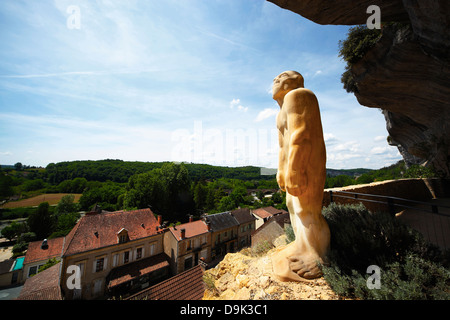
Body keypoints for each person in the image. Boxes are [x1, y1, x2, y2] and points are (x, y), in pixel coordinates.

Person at [271, 71, 330, 281]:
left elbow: (301, 134)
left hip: (306, 163)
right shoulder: (281, 110)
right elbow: (282, 145)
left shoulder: (299, 95)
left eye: (280, 77)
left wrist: (295, 170)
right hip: (294, 164)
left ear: (290, 82)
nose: (275, 81)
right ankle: (301, 245)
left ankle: (317, 257)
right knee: (292, 206)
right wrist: (281, 170)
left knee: (307, 210)